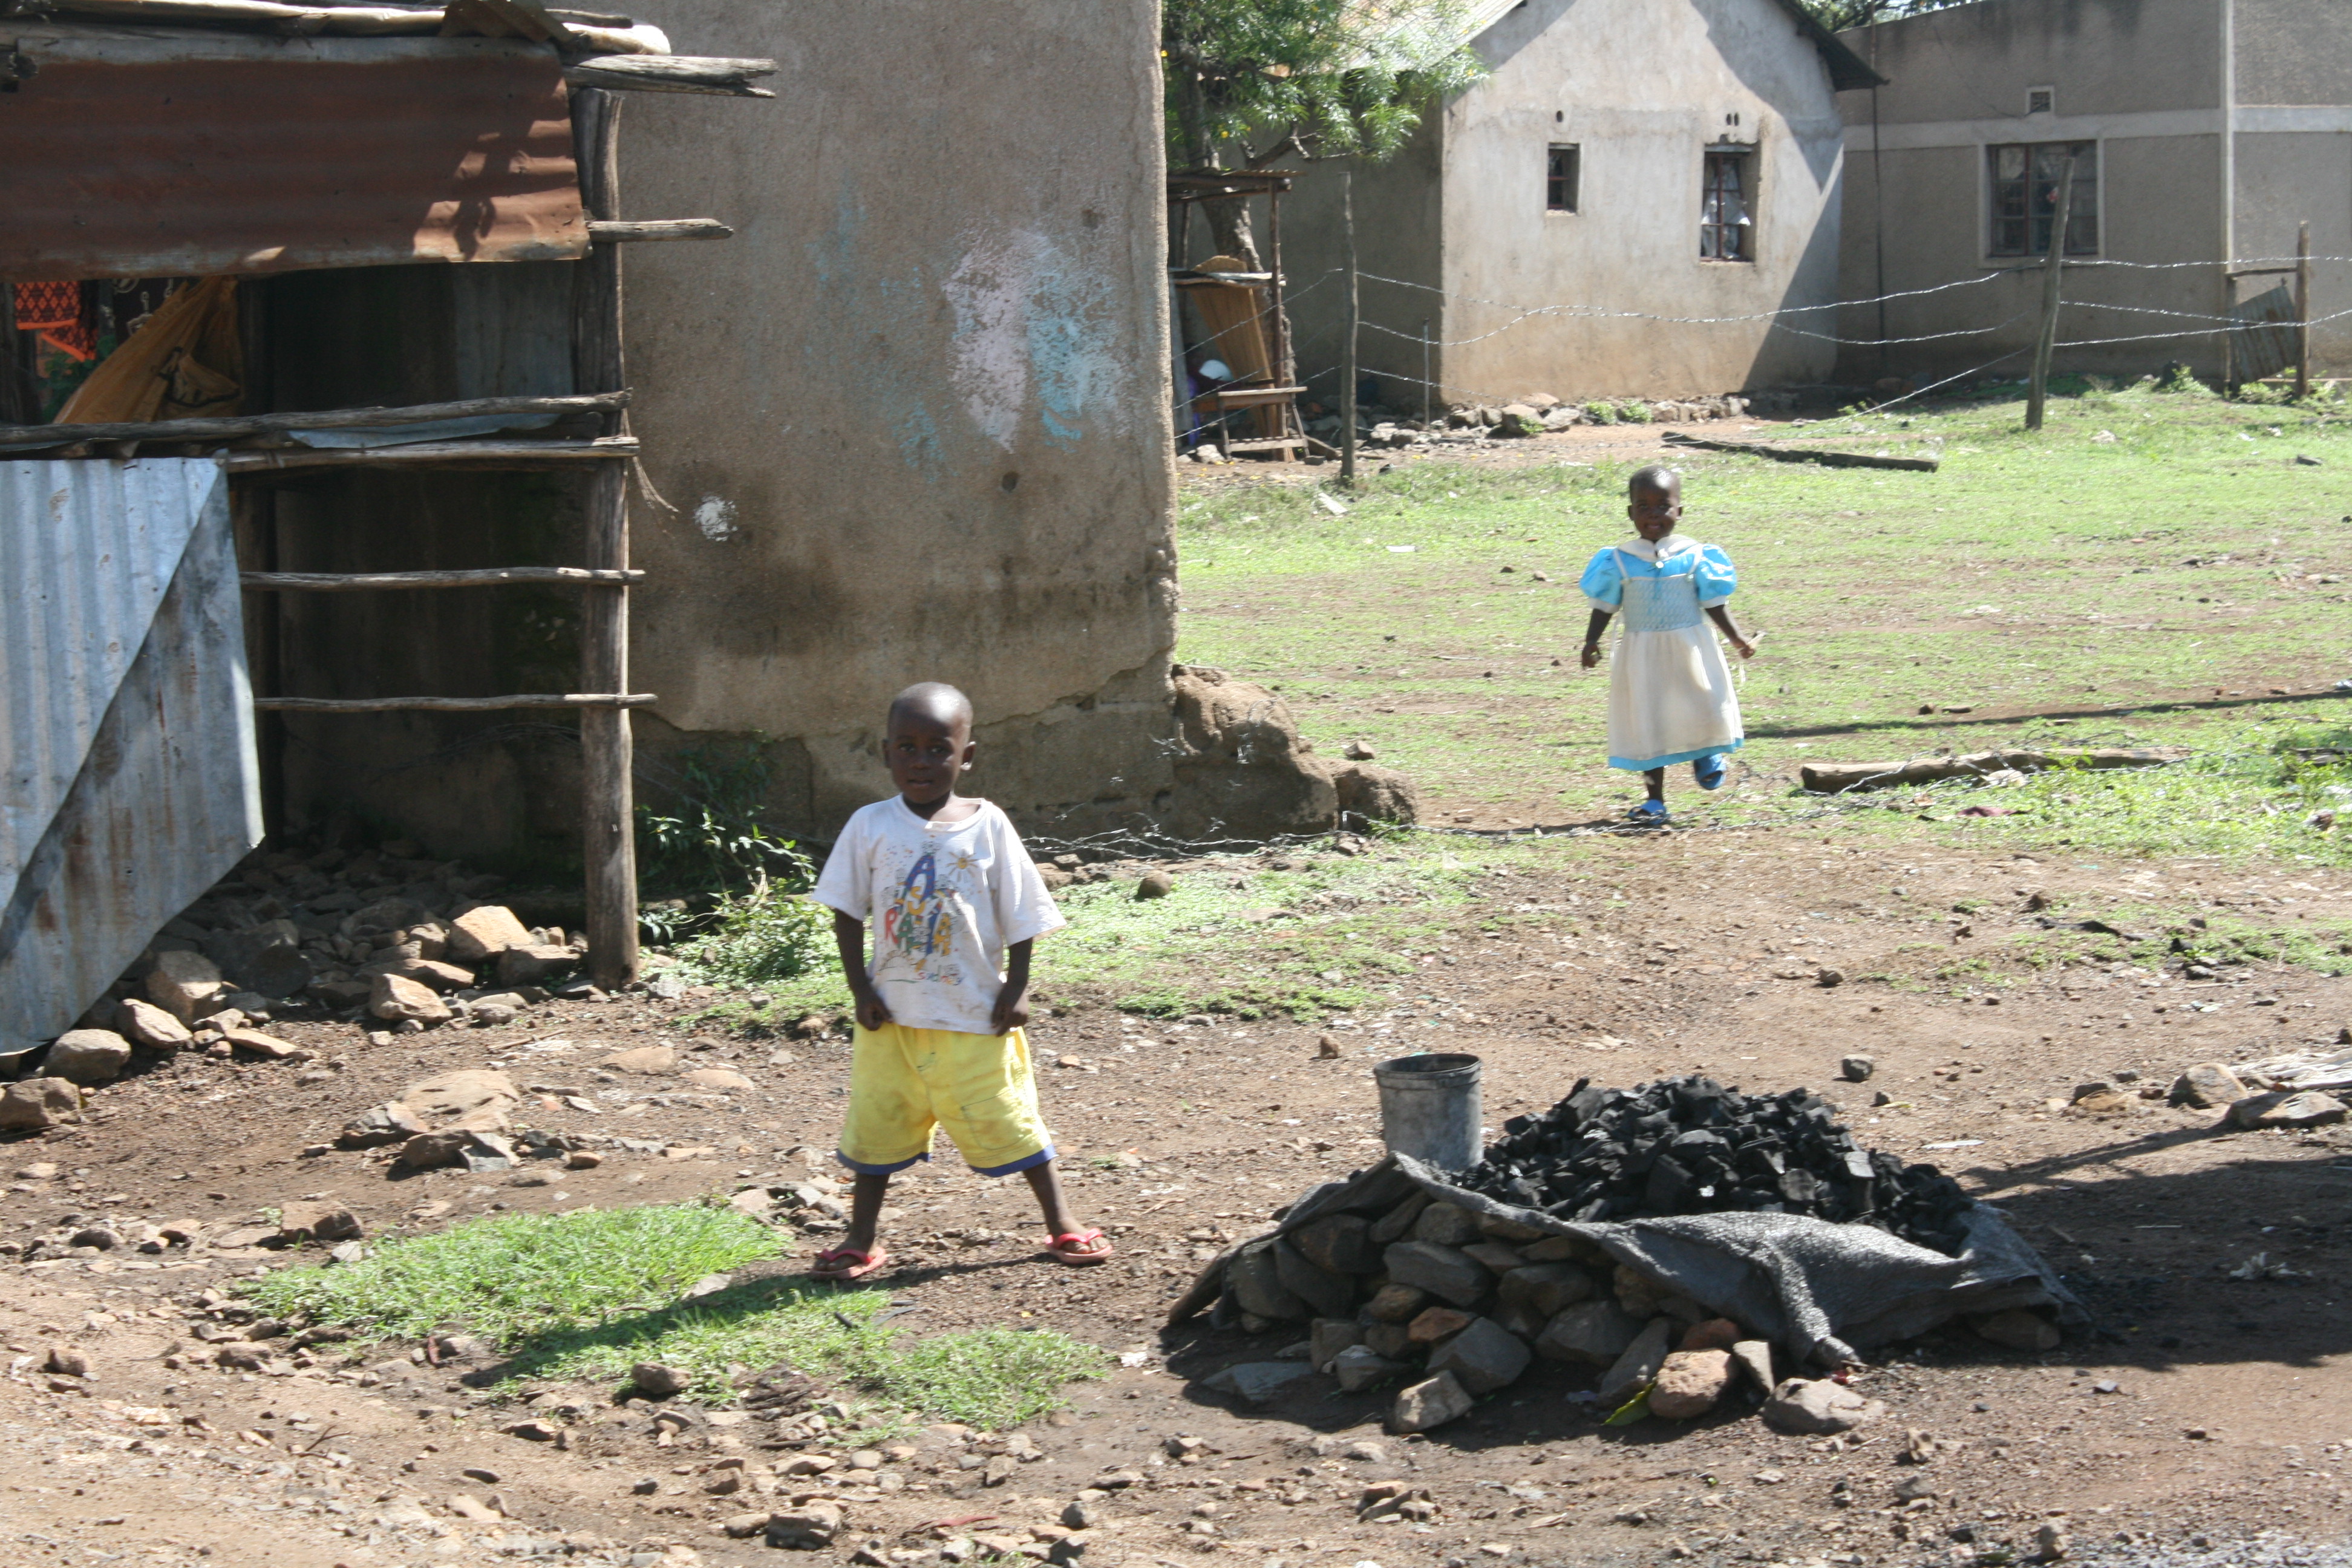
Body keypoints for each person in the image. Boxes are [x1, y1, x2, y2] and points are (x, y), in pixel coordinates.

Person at [808, 681, 1111, 1279]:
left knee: (1011, 1119)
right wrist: (859, 989)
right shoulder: (869, 825)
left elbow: (1021, 910)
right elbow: (846, 911)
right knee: (875, 1127)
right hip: (890, 1019)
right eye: (906, 747)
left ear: (966, 756)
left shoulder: (989, 825)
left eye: (937, 749)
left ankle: (1062, 1222)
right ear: (886, 751)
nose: (921, 762)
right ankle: (860, 1238)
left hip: (975, 1014)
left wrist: (1017, 985)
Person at [1577, 466, 1756, 822]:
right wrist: (1590, 641)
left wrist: (1737, 638)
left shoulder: (1697, 557)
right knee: (1649, 721)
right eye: (1643, 506)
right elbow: (1605, 607)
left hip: (1691, 648)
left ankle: (1706, 753)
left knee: (1703, 701)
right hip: (1642, 656)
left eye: (1663, 505)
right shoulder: (1618, 561)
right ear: (1630, 513)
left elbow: (1715, 604)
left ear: (1680, 511)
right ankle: (1654, 800)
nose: (1653, 514)